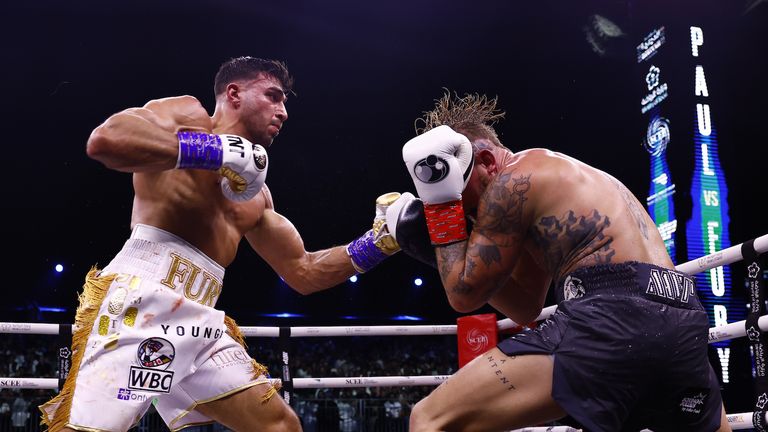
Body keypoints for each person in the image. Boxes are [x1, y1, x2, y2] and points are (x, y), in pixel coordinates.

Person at [39, 56, 403, 432]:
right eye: (273, 97)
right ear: (234, 93)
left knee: (280, 425)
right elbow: (106, 141)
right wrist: (213, 152)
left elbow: (303, 271)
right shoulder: (185, 115)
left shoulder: (258, 197)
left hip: (200, 319)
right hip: (140, 298)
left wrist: (379, 243)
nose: (283, 113)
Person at [392, 92, 731, 431]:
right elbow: (525, 306)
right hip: (681, 325)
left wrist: (439, 211)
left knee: (430, 418)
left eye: (467, 203)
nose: (472, 218)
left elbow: (463, 295)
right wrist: (438, 251)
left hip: (613, 319)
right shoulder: (553, 186)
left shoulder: (512, 181)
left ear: (486, 161)